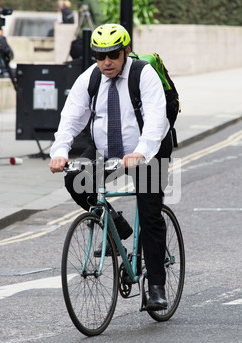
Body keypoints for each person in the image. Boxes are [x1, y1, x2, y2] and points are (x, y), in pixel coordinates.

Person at [49, 24, 172, 311]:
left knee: (150, 212)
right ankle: (114, 224)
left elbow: (157, 119)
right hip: (106, 150)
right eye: (99, 55)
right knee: (75, 179)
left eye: (113, 55)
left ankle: (155, 286)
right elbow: (71, 118)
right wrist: (59, 152)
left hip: (148, 150)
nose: (106, 62)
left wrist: (141, 152)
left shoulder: (144, 75)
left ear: (126, 52)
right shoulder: (90, 79)